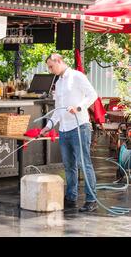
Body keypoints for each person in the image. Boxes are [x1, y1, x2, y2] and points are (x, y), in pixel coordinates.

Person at [40, 53, 98, 213]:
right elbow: (57, 110)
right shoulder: (58, 83)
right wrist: (48, 126)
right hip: (64, 129)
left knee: (84, 164)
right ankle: (71, 196)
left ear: (59, 61)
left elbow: (93, 95)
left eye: (51, 66)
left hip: (80, 127)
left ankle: (91, 200)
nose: (51, 70)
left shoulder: (77, 76)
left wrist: (78, 107)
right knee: (69, 166)